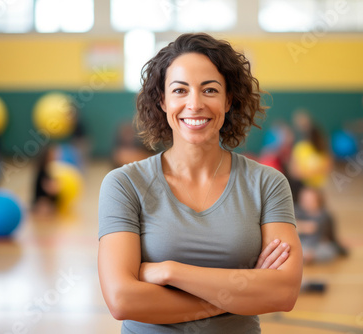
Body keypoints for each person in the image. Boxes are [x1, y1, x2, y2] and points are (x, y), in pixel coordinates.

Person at [98, 33, 303, 333]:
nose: (194, 104)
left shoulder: (267, 183)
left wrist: (170, 271)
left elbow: (284, 292)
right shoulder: (124, 184)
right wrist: (240, 294)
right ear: (163, 101)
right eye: (180, 90)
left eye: (209, 90)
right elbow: (122, 300)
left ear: (228, 99)